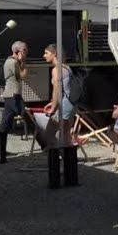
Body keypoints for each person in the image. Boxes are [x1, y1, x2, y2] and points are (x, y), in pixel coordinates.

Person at [42, 44, 78, 188]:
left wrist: (53, 106)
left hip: (63, 105)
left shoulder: (56, 70)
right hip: (70, 104)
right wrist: (53, 103)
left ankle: (58, 165)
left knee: (50, 134)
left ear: (54, 54)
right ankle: (68, 165)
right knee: (66, 135)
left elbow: (57, 90)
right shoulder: (67, 68)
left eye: (46, 53)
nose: (44, 56)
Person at [0, 41, 28, 164]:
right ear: (16, 51)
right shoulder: (13, 62)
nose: (26, 53)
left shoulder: (12, 62)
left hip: (12, 94)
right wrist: (23, 63)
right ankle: (46, 145)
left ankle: (1, 152)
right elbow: (23, 76)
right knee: (30, 117)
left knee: (5, 123)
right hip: (13, 95)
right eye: (24, 50)